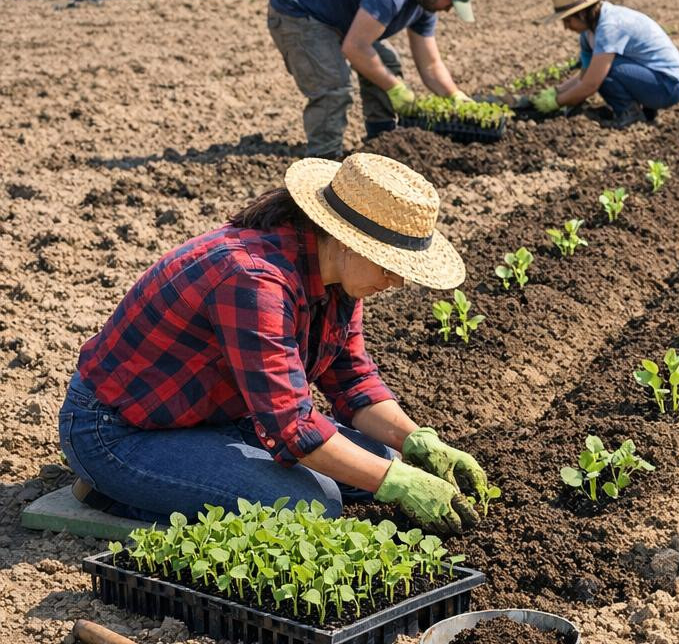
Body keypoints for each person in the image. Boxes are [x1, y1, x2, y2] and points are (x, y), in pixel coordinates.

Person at [60, 153, 490, 535]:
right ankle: (116, 491)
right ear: (346, 241)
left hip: (213, 417)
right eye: (391, 266)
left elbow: (353, 379)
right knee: (315, 505)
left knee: (379, 461)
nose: (397, 281)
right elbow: (292, 428)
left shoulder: (336, 278)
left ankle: (190, 473)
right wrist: (394, 482)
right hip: (119, 432)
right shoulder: (253, 278)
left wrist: (418, 442)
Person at [268, 0, 477, 159]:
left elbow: (430, 64)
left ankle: (382, 142)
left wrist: (454, 95)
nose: (449, 9)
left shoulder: (424, 2)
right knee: (333, 86)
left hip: (339, 20)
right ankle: (324, 160)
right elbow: (355, 47)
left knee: (387, 63)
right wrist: (396, 88)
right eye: (451, 2)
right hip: (298, 13)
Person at [529, 0, 679, 129]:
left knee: (605, 70)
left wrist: (555, 103)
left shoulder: (609, 27)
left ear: (582, 14)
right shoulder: (588, 33)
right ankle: (646, 111)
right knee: (599, 68)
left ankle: (630, 113)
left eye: (568, 21)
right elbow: (584, 74)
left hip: (670, 85)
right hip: (656, 79)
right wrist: (556, 91)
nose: (566, 27)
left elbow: (590, 84)